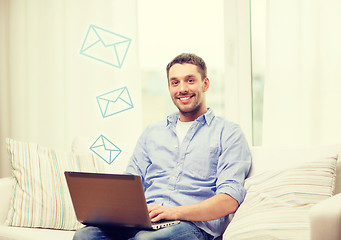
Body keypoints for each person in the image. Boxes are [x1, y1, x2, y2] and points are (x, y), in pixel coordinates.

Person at [73, 53, 251, 240]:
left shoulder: (229, 133)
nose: (182, 88)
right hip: (143, 222)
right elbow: (130, 183)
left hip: (192, 227)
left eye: (190, 80)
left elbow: (229, 200)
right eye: (175, 82)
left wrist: (174, 212)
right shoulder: (152, 133)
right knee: (86, 236)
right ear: (169, 87)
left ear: (205, 84)